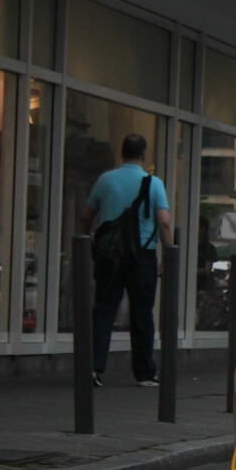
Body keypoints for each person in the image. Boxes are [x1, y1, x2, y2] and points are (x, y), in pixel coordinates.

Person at [80, 133, 172, 387]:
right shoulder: (153, 183)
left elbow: (86, 214)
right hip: (142, 256)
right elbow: (164, 221)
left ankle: (94, 368)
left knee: (104, 310)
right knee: (142, 313)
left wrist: (87, 238)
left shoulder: (105, 180)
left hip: (109, 256)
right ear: (143, 154)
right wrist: (169, 253)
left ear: (122, 153)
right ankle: (144, 373)